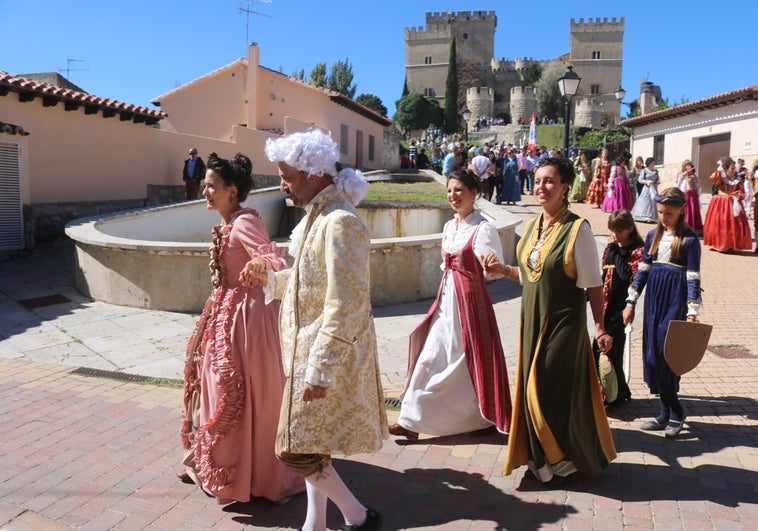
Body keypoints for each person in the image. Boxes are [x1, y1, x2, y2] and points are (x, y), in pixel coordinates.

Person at [246, 128, 387, 531]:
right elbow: (307, 282)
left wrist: (321, 368)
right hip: (306, 350)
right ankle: (316, 524)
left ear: (311, 173)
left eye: (287, 175)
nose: (282, 184)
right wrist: (270, 280)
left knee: (292, 448)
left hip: (325, 356)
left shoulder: (340, 221)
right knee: (313, 443)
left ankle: (358, 515)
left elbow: (347, 301)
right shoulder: (318, 217)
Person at [178, 152, 304, 504]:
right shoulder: (230, 221)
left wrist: (260, 263)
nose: (205, 191)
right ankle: (217, 466)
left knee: (242, 392)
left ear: (231, 190)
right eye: (204, 185)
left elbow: (274, 257)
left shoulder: (245, 221)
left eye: (211, 186)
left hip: (247, 321)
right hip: (228, 314)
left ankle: (251, 474)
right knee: (215, 386)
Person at [483, 157, 616, 484]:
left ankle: (560, 458)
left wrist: (599, 325)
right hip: (532, 324)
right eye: (539, 181)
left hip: (563, 326)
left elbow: (593, 283)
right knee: (535, 391)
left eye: (549, 181)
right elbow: (530, 275)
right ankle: (546, 460)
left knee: (544, 392)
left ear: (565, 186)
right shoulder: (529, 228)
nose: (541, 187)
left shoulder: (577, 229)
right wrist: (503, 270)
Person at [388, 169, 512, 442]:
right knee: (430, 357)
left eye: (458, 190)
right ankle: (410, 420)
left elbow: (493, 270)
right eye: (449, 190)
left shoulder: (483, 228)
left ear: (473, 193)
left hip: (470, 304)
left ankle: (479, 418)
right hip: (448, 301)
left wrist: (491, 265)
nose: (453, 196)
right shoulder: (449, 226)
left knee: (465, 362)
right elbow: (447, 266)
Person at [622, 187, 702, 438]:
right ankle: (664, 412)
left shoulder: (689, 240)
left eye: (669, 212)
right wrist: (631, 301)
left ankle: (676, 411)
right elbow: (643, 270)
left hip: (675, 299)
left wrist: (692, 310)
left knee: (667, 355)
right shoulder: (651, 236)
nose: (663, 217)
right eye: (660, 212)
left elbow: (693, 276)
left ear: (681, 210)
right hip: (655, 298)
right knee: (652, 356)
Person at [595, 209, 644, 407]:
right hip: (605, 306)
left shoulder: (638, 251)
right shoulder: (611, 249)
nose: (614, 235)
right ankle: (619, 391)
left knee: (610, 351)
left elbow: (627, 277)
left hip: (621, 308)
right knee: (600, 351)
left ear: (630, 229)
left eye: (619, 231)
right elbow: (604, 274)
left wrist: (615, 250)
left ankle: (613, 395)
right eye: (612, 230)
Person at [702, 156, 752, 252]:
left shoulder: (737, 181)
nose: (734, 170)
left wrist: (739, 194)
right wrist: (719, 169)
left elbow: (742, 193)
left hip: (733, 204)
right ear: (726, 169)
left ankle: (730, 245)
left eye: (734, 168)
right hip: (720, 203)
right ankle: (717, 244)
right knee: (718, 225)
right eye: (732, 168)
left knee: (732, 226)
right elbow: (714, 178)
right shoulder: (722, 178)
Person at [676, 160, 703, 235]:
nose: (689, 167)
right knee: (686, 212)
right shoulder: (681, 175)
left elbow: (698, 187)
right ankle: (685, 228)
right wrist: (682, 177)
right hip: (685, 195)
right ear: (684, 167)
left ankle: (695, 230)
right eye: (687, 166)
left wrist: (695, 181)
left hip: (693, 195)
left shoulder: (695, 176)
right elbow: (678, 185)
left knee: (694, 211)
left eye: (690, 165)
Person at [631, 157, 660, 223]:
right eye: (652, 163)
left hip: (654, 189)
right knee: (645, 201)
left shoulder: (656, 171)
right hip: (647, 189)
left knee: (653, 202)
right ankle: (643, 216)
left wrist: (657, 181)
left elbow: (657, 179)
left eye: (654, 163)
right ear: (649, 163)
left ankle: (653, 217)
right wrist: (647, 181)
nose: (653, 164)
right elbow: (640, 180)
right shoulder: (644, 170)